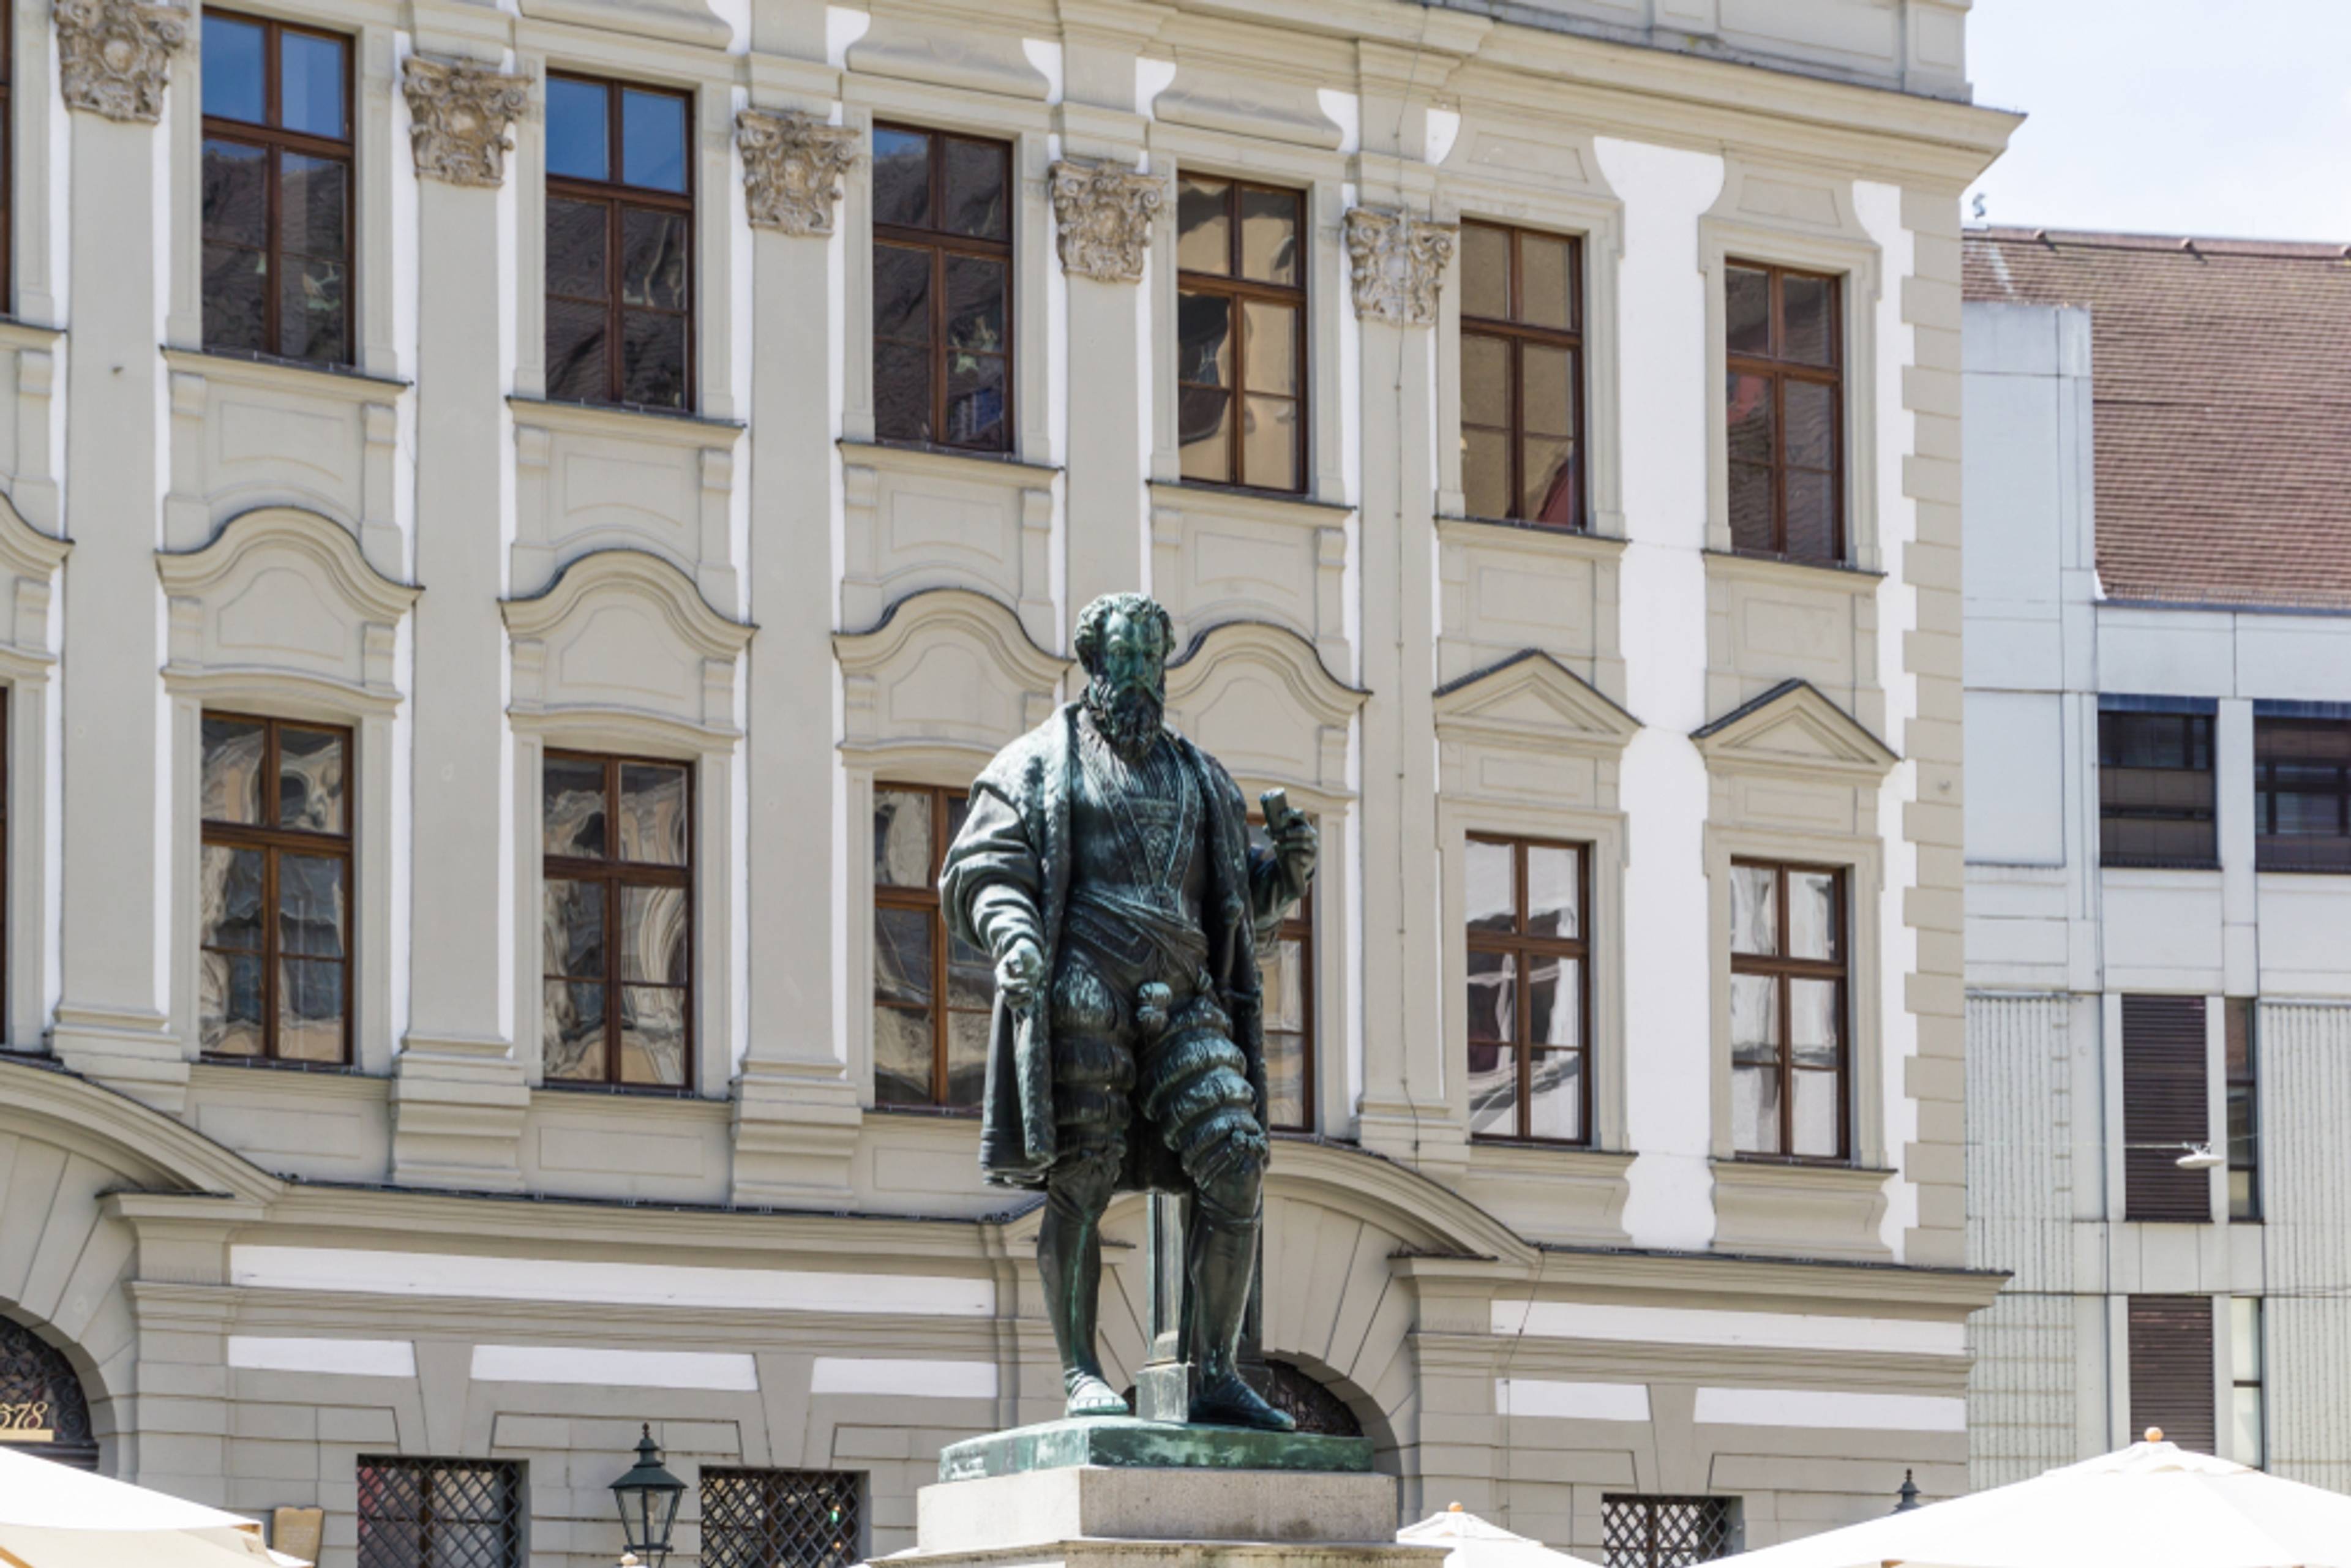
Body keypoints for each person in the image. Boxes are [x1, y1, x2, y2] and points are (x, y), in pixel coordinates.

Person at [940, 592, 1317, 1430]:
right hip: (1084, 981)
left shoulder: (1203, 777)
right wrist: (1014, 934)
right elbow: (981, 867)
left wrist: (1284, 873)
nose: (1141, 672)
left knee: (1236, 1161)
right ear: (1094, 659)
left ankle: (1213, 1370)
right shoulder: (1040, 761)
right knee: (1082, 1173)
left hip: (1184, 991)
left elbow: (1236, 910)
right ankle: (1081, 1370)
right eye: (1126, 655)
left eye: (1153, 656)